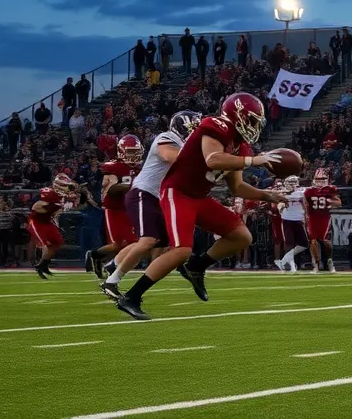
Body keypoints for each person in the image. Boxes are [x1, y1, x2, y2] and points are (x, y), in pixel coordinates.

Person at [115, 93, 287, 319]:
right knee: (181, 250)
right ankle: (131, 297)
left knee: (241, 236)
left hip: (200, 196)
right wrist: (254, 161)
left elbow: (236, 188)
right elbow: (213, 159)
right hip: (178, 192)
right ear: (237, 115)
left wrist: (268, 196)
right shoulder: (215, 125)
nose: (255, 126)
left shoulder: (241, 146)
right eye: (252, 120)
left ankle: (197, 266)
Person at [99, 112, 201, 298]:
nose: (197, 132)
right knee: (147, 241)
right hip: (142, 193)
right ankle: (111, 281)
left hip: (155, 197)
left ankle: (113, 265)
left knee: (161, 242)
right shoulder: (167, 138)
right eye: (194, 128)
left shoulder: (184, 145)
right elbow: (176, 159)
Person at [84, 135, 144, 280]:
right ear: (122, 152)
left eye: (136, 152)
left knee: (132, 242)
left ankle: (99, 258)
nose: (134, 156)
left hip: (129, 209)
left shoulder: (138, 168)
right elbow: (110, 190)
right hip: (114, 209)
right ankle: (100, 259)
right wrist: (131, 185)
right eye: (130, 152)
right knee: (119, 244)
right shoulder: (113, 167)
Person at [29, 173, 75, 279]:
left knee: (57, 243)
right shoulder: (50, 194)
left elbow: (57, 210)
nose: (68, 188)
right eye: (66, 185)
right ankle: (36, 263)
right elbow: (35, 207)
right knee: (44, 244)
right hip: (37, 221)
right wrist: (52, 208)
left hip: (47, 222)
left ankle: (43, 264)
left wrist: (58, 209)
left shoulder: (60, 196)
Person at [304, 169, 341, 273]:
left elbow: (339, 203)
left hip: (325, 217)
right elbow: (304, 204)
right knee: (313, 241)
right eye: (318, 179)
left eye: (322, 179)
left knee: (325, 241)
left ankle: (329, 261)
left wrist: (330, 201)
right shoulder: (309, 191)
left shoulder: (331, 189)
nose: (320, 181)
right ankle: (315, 264)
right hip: (312, 217)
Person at [275, 175, 309, 273]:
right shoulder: (282, 193)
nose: (291, 185)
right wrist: (281, 206)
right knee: (289, 242)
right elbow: (279, 204)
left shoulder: (301, 192)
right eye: (290, 183)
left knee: (304, 244)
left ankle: (284, 260)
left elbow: (305, 203)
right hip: (287, 219)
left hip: (299, 219)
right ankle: (290, 265)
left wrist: (305, 215)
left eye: (293, 183)